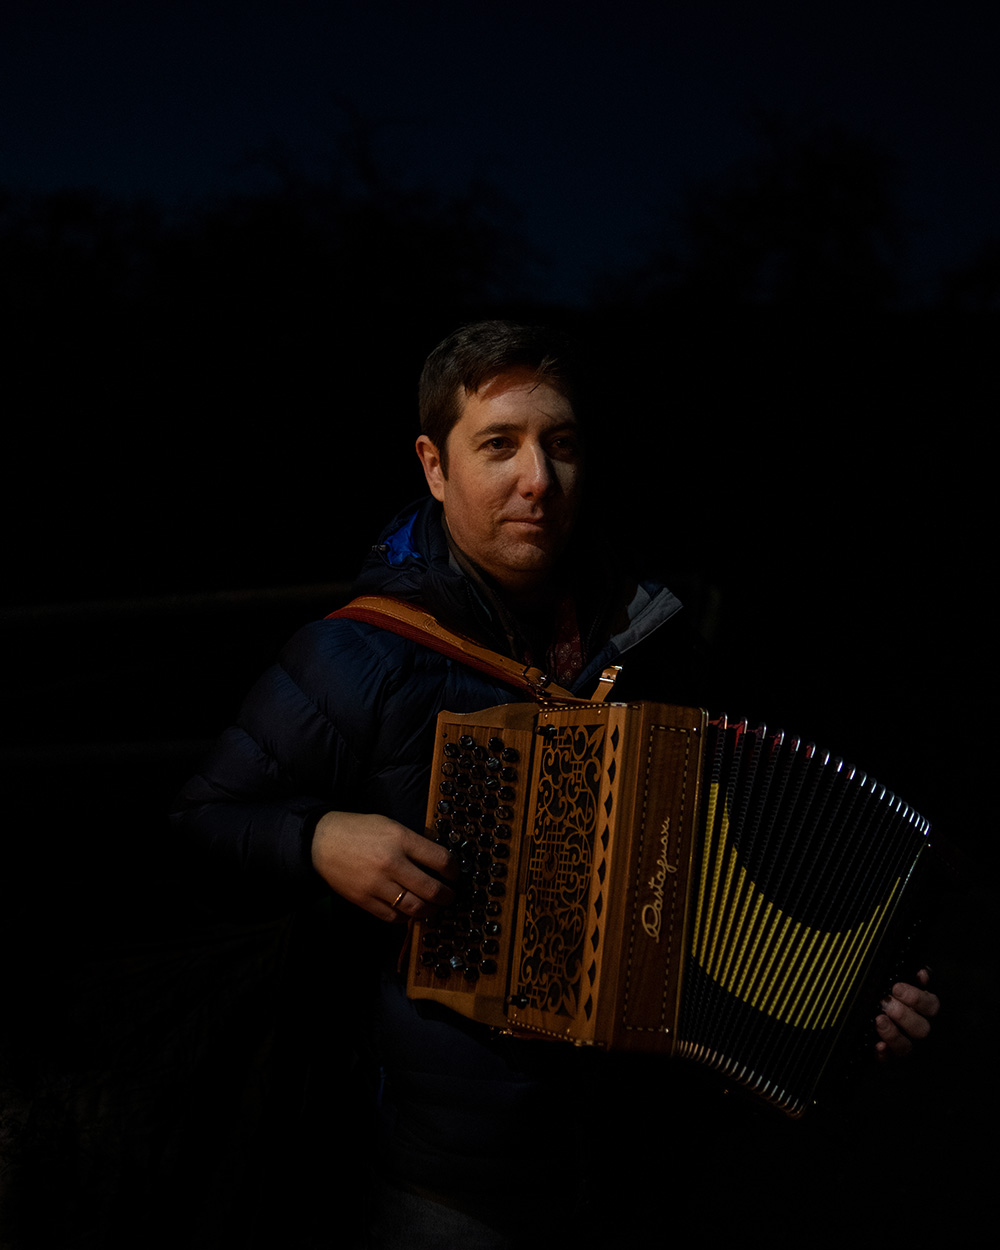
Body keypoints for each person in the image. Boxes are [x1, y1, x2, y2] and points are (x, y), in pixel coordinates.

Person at [171, 320, 939, 1247]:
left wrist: (855, 995)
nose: (539, 480)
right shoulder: (360, 653)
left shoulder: (655, 648)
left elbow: (758, 859)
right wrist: (318, 837)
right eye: (499, 445)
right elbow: (200, 823)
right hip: (447, 1180)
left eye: (561, 445)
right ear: (433, 465)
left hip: (643, 1163)